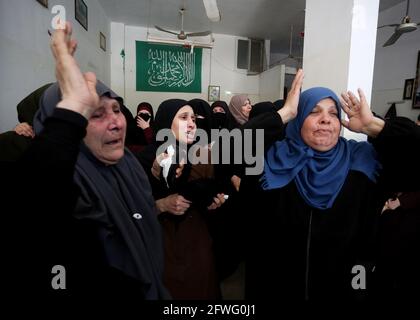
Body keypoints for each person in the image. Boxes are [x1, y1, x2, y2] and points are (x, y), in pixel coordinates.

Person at [6, 22, 170, 299]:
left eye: (116, 110)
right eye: (95, 114)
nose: (116, 123)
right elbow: (32, 204)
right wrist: (73, 107)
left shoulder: (128, 164)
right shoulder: (68, 179)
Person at [240, 69, 420, 301]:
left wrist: (374, 126)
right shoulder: (273, 160)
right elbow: (225, 152)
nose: (325, 118)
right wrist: (283, 114)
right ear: (298, 119)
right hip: (278, 286)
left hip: (346, 288)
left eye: (333, 114)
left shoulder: (363, 161)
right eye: (313, 112)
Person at [138, 98, 226, 299]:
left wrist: (214, 203)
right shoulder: (144, 159)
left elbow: (208, 191)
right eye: (184, 117)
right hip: (160, 247)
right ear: (167, 122)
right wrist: (160, 205)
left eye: (193, 118)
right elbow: (130, 212)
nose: (192, 123)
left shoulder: (200, 155)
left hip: (197, 244)